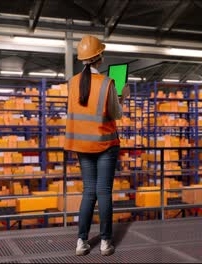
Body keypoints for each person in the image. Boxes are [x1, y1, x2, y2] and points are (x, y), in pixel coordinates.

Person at [64, 35, 130, 256]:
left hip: (82, 146)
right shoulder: (107, 83)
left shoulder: (73, 83)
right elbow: (116, 114)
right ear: (99, 57)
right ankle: (105, 243)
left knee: (88, 192)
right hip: (105, 144)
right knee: (104, 193)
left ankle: (81, 242)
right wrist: (123, 96)